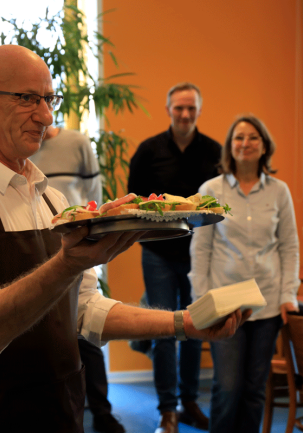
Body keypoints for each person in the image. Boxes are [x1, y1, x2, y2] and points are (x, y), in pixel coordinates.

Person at [0, 45, 249, 433]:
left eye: (48, 99)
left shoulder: (53, 199)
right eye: (27, 99)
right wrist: (69, 262)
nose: (45, 116)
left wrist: (184, 323)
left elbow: (86, 310)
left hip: (62, 412)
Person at [188, 114, 300, 433]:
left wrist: (289, 295)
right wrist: (201, 301)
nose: (245, 143)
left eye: (253, 137)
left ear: (264, 146)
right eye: (239, 137)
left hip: (268, 302)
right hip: (223, 303)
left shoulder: (279, 192)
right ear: (229, 146)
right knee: (227, 386)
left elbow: (289, 247)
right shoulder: (210, 190)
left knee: (254, 389)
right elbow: (201, 249)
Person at [127, 82, 222, 433]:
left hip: (201, 255)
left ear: (198, 110)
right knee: (164, 329)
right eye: (179, 108)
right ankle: (167, 409)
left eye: (191, 109)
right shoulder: (148, 151)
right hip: (158, 254)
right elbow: (134, 204)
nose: (185, 114)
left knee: (196, 329)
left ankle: (189, 402)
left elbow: (220, 207)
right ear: (168, 109)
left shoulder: (215, 151)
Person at [30, 125, 125, 433]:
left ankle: (101, 411)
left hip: (76, 242)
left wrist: (90, 234)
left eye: (46, 99)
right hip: (33, 247)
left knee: (88, 331)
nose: (40, 113)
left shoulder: (78, 143)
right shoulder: (20, 146)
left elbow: (94, 197)